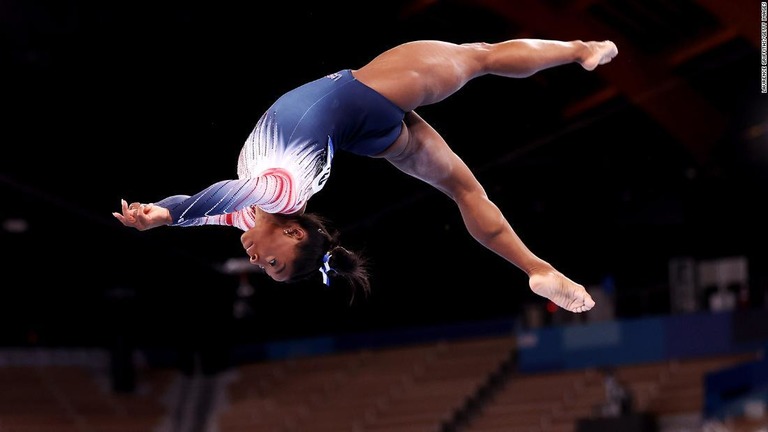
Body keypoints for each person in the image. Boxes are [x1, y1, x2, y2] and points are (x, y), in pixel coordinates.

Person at [113, 38, 618, 313]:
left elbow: (204, 206)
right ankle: (581, 49)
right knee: (480, 58)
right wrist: (170, 214)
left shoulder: (247, 212)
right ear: (293, 231)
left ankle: (536, 268)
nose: (258, 262)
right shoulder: (280, 190)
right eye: (274, 264)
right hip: (365, 95)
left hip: (361, 134)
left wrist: (163, 212)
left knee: (463, 189)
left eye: (266, 269)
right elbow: (218, 193)